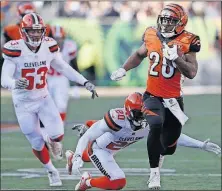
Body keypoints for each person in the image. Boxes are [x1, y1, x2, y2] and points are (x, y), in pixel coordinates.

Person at [1, 13, 98, 187]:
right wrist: (15, 83)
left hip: (43, 98)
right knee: (37, 142)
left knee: (57, 135)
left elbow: (63, 67)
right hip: (23, 103)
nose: (36, 35)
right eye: (32, 31)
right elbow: (4, 79)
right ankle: (51, 170)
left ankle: (52, 143)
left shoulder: (49, 46)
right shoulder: (14, 49)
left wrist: (84, 81)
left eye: (39, 31)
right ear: (23, 32)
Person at [110, 3, 201, 189]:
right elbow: (138, 54)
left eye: (171, 21)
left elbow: (191, 72)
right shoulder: (152, 34)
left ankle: (161, 153)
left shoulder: (188, 40)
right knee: (155, 124)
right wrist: (123, 68)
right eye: (164, 20)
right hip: (152, 96)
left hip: (174, 99)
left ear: (181, 22)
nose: (166, 24)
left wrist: (176, 58)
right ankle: (154, 174)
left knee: (169, 146)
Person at [65, 92, 221, 191]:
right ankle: (87, 182)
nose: (142, 117)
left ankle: (72, 158)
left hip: (112, 147)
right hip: (99, 149)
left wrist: (201, 145)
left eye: (144, 113)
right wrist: (79, 153)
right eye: (138, 113)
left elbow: (173, 137)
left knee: (91, 156)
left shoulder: (148, 122)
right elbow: (89, 136)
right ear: (127, 112)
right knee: (118, 181)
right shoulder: (117, 118)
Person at [47, 25, 79, 122]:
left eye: (60, 38)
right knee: (45, 106)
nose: (58, 41)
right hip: (47, 79)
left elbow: (74, 65)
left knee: (61, 106)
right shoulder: (44, 47)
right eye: (55, 38)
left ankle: (60, 128)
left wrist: (76, 86)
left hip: (61, 79)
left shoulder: (69, 47)